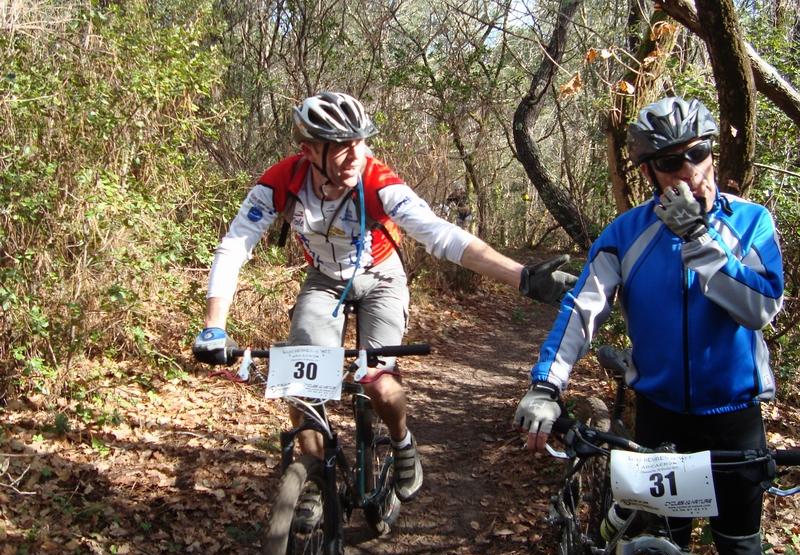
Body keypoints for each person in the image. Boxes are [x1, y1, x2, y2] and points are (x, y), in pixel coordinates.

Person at [192, 91, 577, 521]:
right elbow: (234, 247)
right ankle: (315, 476)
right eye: (340, 146)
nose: (354, 154)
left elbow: (440, 235)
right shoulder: (281, 181)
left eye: (359, 142)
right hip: (324, 281)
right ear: (309, 151)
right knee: (301, 382)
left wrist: (522, 277)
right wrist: (214, 326)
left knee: (378, 382)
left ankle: (401, 440)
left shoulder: (378, 181)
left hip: (382, 278)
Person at [513, 96, 783, 555]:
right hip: (662, 420)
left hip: (735, 418)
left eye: (696, 152)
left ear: (711, 154)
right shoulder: (626, 232)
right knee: (663, 549)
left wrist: (700, 240)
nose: (687, 169)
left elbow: (759, 309)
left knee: (741, 551)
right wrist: (545, 385)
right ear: (649, 173)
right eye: (668, 161)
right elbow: (583, 308)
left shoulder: (751, 222)